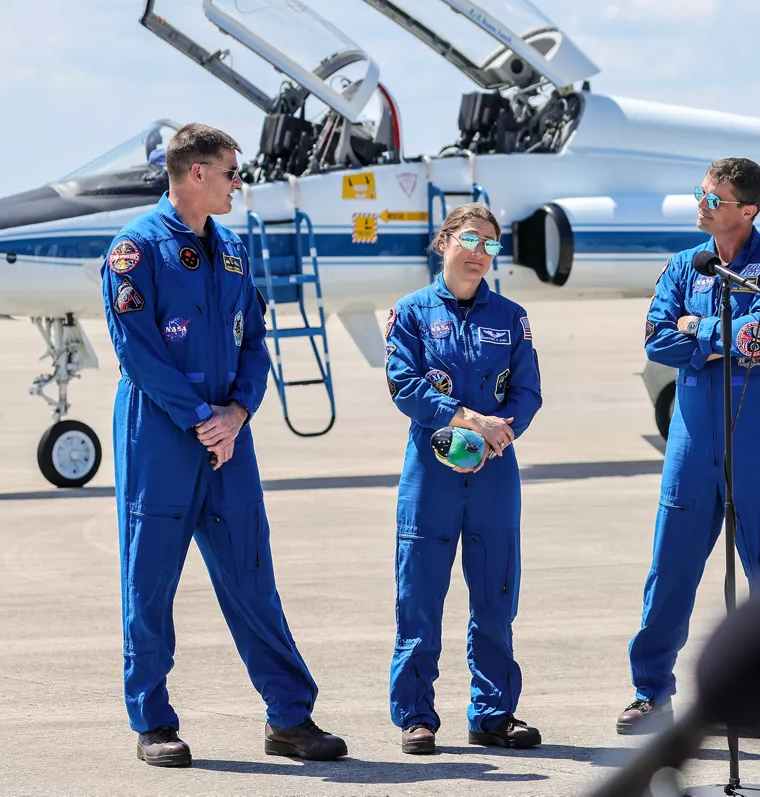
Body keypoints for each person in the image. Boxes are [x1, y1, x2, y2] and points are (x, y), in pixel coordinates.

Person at [100, 124, 347, 767]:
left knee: (252, 578)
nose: (240, 183)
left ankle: (289, 718)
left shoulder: (233, 249)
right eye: (233, 172)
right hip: (159, 436)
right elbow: (139, 353)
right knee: (149, 583)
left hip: (229, 440)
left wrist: (237, 412)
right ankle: (153, 723)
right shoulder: (136, 250)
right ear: (198, 174)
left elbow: (254, 342)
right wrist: (200, 417)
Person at [618, 158, 760, 737]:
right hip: (693, 431)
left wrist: (695, 330)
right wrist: (710, 343)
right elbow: (656, 336)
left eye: (713, 198)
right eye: (700, 194)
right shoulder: (684, 265)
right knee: (670, 564)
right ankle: (651, 691)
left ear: (747, 210)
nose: (701, 204)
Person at [384, 202, 543, 755]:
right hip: (431, 473)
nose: (480, 254)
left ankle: (494, 714)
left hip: (496, 474)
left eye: (491, 246)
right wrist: (464, 419)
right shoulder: (410, 312)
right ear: (444, 241)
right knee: (420, 599)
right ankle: (416, 716)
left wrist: (503, 432)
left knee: (496, 598)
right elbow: (404, 384)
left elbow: (528, 390)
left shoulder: (511, 316)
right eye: (471, 240)